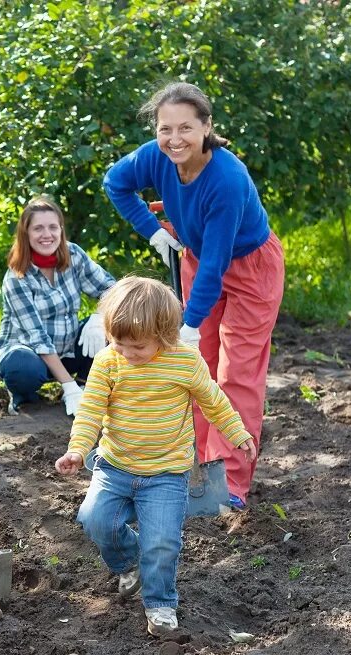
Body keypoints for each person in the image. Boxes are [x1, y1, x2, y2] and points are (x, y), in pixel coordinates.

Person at [103, 82, 284, 510]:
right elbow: (116, 183)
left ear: (206, 127)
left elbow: (218, 265)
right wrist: (153, 231)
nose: (174, 139)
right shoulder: (157, 156)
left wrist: (187, 324)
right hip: (196, 257)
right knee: (194, 369)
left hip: (249, 268)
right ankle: (199, 464)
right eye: (165, 129)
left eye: (185, 128)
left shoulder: (227, 179)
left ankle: (233, 484)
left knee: (235, 373)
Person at [54, 277, 255, 636]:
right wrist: (78, 448)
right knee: (93, 518)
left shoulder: (185, 362)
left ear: (164, 335)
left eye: (137, 346)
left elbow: (214, 400)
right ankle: (130, 563)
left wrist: (237, 433)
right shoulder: (108, 362)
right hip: (114, 465)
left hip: (166, 473)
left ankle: (160, 603)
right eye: (117, 342)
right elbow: (90, 411)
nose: (126, 352)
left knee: (162, 541)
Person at [0, 195, 116, 416]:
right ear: (26, 234)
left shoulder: (73, 254)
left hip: (66, 349)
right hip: (28, 354)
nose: (47, 235)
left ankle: (88, 386)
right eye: (38, 228)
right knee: (23, 367)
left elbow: (113, 289)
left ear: (61, 230)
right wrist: (68, 387)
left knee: (111, 325)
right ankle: (26, 400)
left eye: (52, 227)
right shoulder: (17, 277)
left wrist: (99, 317)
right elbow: (37, 337)